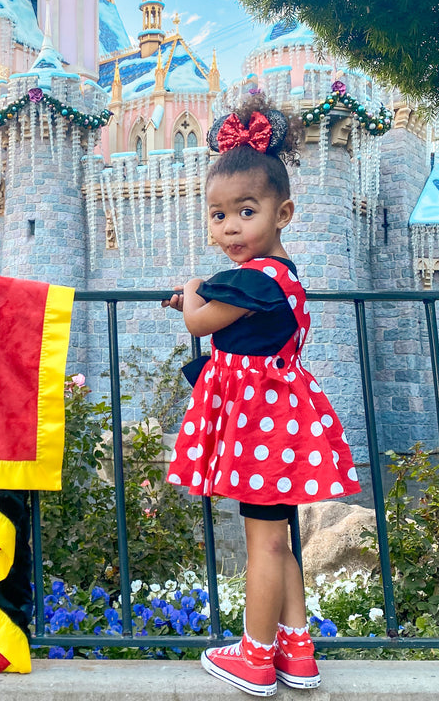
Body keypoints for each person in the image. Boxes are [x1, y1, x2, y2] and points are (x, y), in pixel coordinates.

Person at [162, 96, 361, 697]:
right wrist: (204, 299)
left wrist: (192, 291)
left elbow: (202, 324)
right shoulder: (285, 276)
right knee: (280, 534)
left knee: (265, 540)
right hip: (278, 419)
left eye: (245, 212)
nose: (229, 228)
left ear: (283, 212)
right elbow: (230, 323)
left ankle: (255, 655)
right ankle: (296, 651)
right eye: (217, 215)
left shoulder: (251, 280)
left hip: (256, 426)